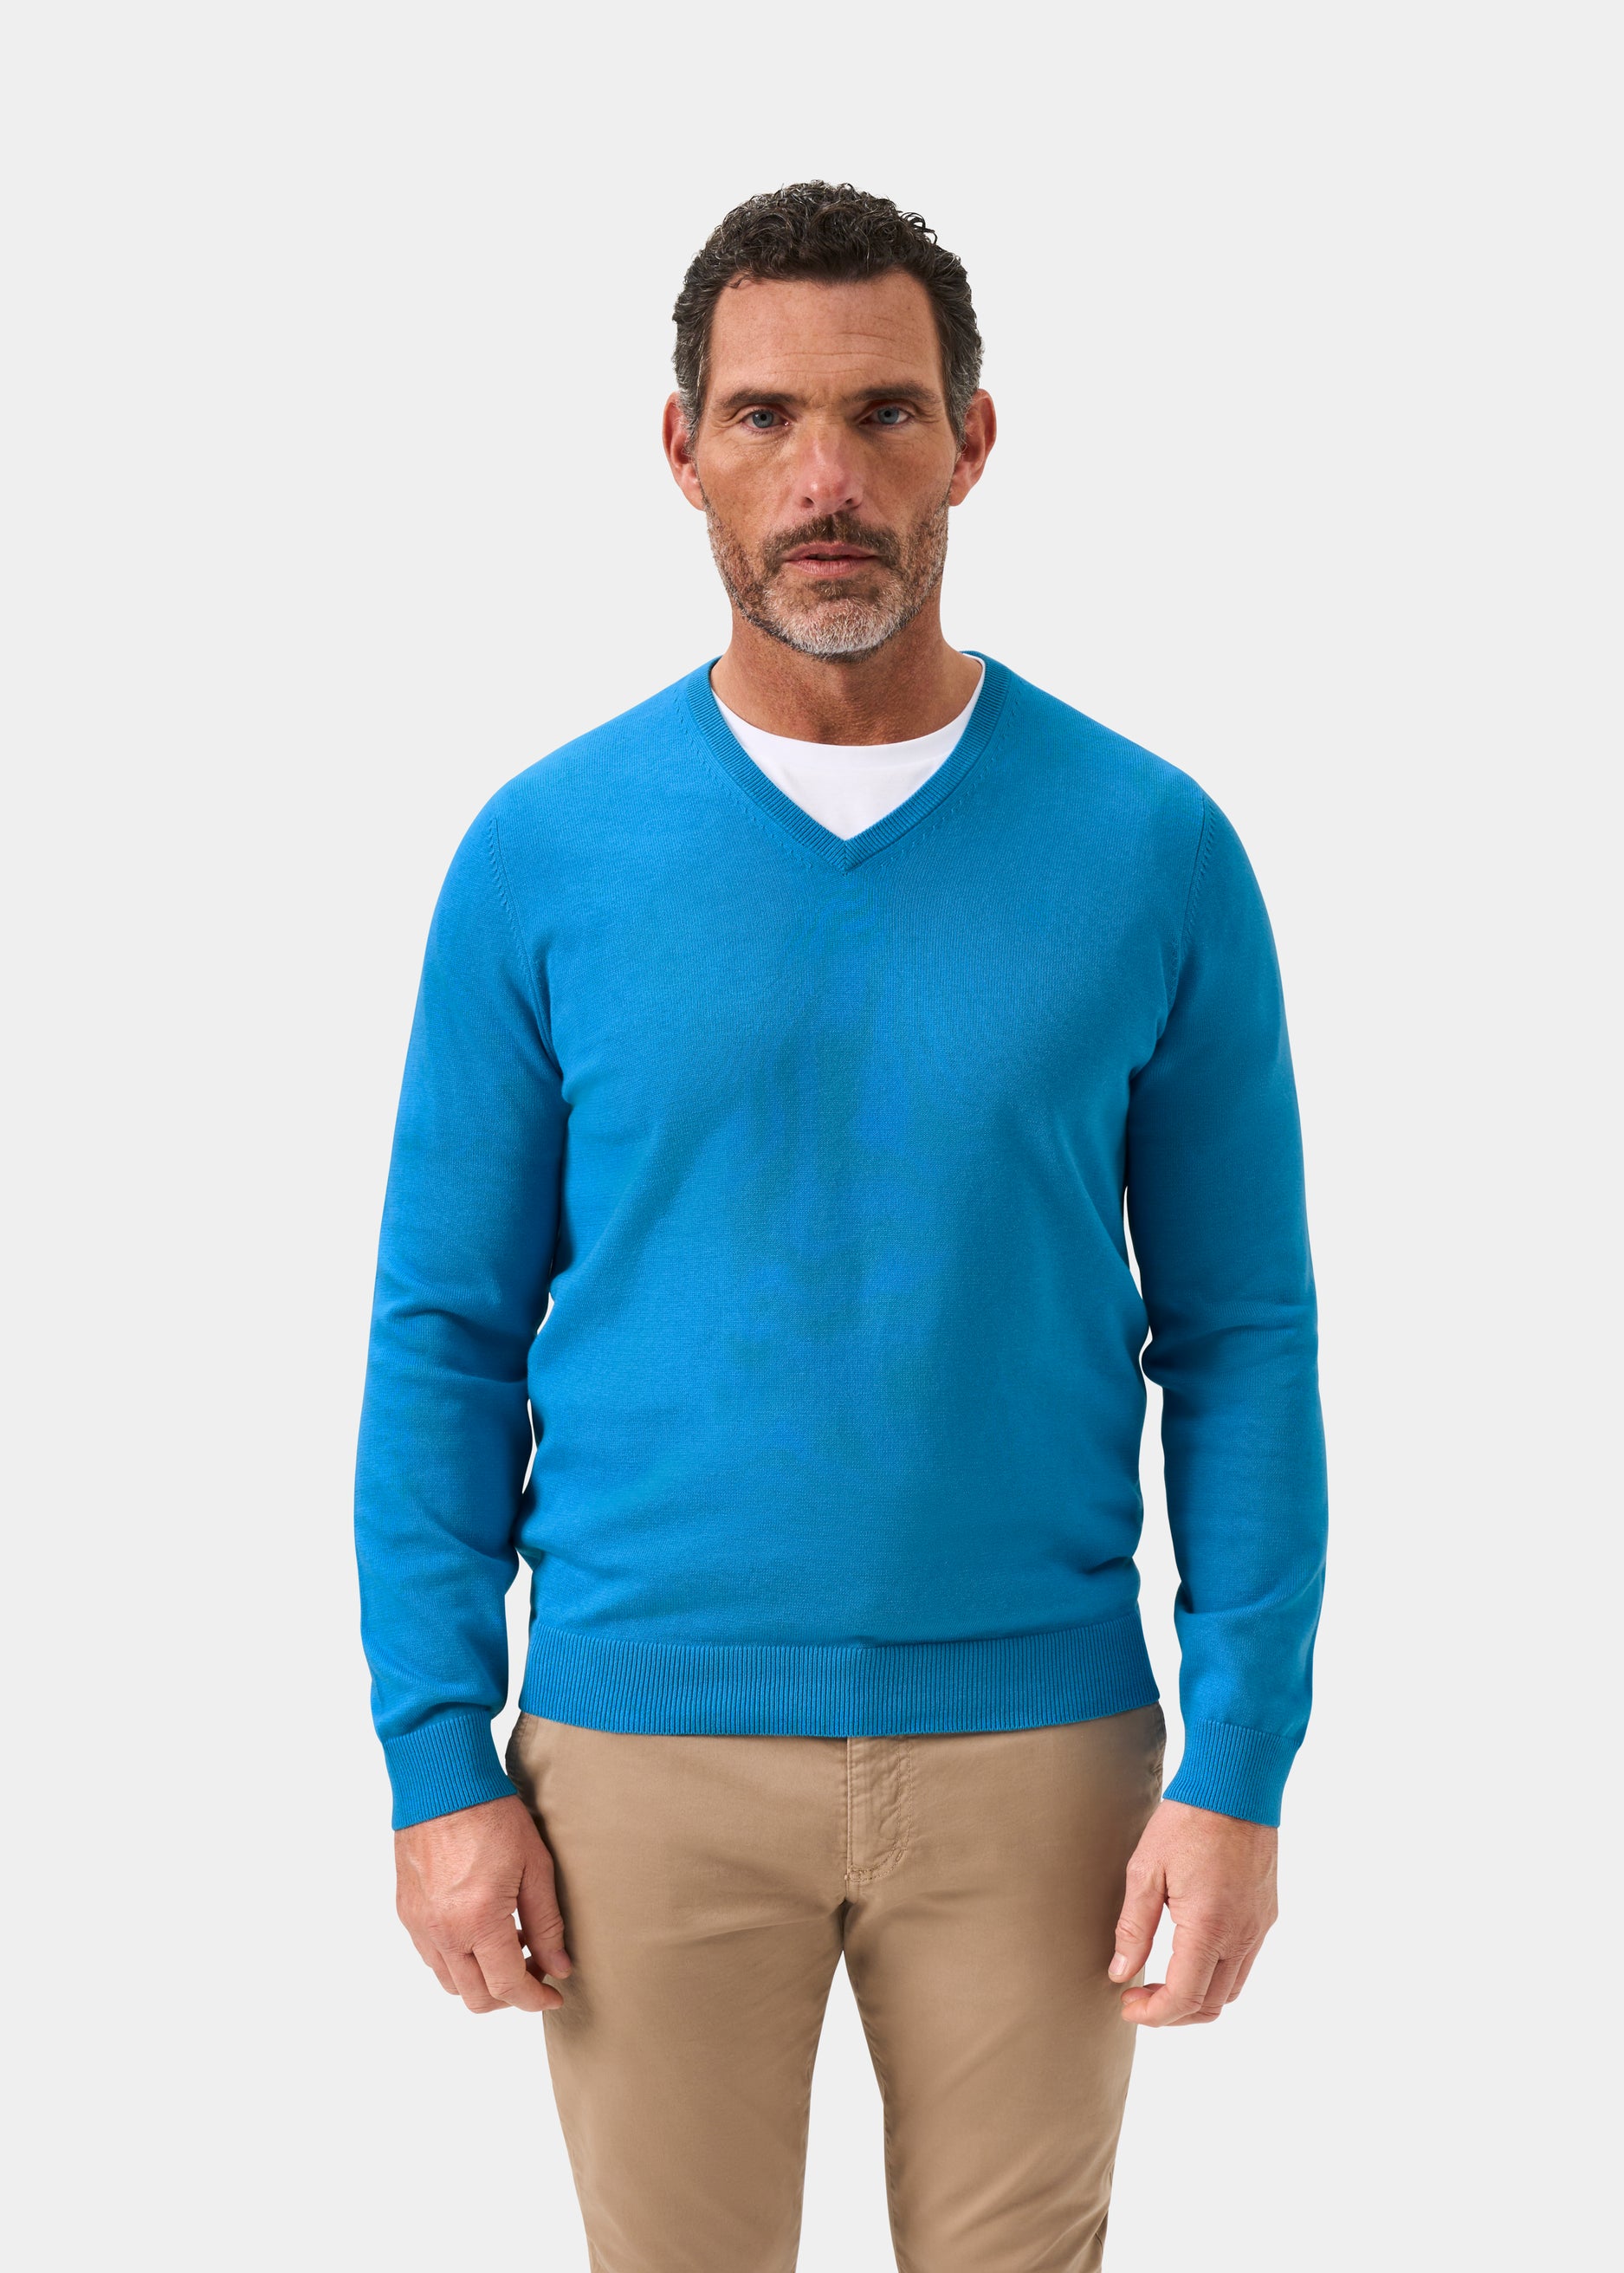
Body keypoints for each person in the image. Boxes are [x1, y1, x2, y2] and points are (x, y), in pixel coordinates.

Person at [354, 181, 1329, 2272]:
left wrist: (1237, 1763)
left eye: (883, 412)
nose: (826, 477)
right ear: (681, 447)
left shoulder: (1150, 847)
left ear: (970, 440)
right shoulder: (542, 853)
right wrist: (438, 1760)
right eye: (766, 415)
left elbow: (1239, 1333)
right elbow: (445, 1330)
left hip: (1041, 1751)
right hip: (636, 1746)